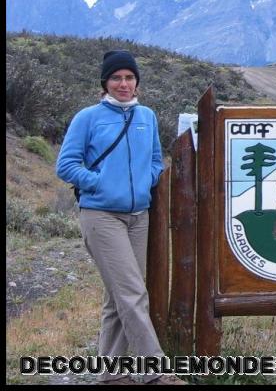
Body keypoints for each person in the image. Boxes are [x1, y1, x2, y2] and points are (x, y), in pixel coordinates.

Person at [56, 50, 186, 385]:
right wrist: (99, 183)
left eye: (129, 77)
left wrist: (146, 179)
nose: (124, 84)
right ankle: (155, 373)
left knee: (119, 297)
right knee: (132, 293)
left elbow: (157, 159)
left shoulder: (147, 116)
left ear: (137, 81)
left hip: (138, 217)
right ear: (105, 83)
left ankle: (109, 373)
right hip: (101, 216)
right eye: (116, 78)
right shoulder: (88, 118)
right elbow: (66, 165)